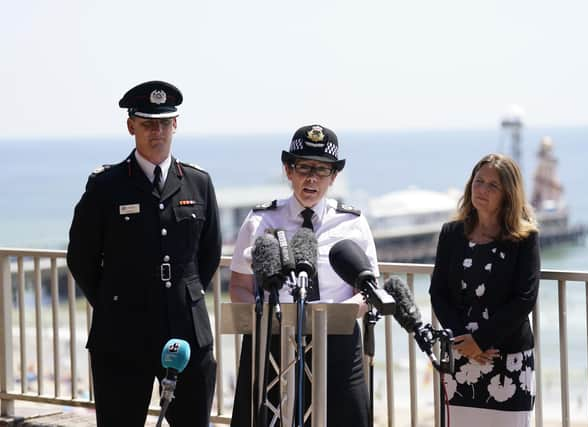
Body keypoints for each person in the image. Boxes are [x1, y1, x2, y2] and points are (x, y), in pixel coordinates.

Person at [67, 80, 221, 426]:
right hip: (123, 333)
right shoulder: (106, 185)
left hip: (186, 331)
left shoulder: (198, 182)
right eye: (149, 123)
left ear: (176, 125)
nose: (158, 132)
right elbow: (81, 257)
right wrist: (113, 301)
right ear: (131, 126)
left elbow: (208, 254)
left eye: (165, 122)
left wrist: (185, 297)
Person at [229, 124, 377, 427]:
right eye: (303, 167)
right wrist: (264, 320)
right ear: (288, 170)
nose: (311, 178)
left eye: (322, 170)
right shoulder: (260, 220)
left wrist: (351, 310)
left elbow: (369, 287)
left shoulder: (352, 223)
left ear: (334, 177)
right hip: (272, 343)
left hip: (337, 340)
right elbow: (240, 285)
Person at [429, 153, 540, 427]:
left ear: (508, 194)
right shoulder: (451, 233)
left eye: (493, 185)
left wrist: (481, 341)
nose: (482, 190)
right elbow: (438, 292)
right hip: (460, 359)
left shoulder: (524, 238)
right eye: (479, 181)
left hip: (508, 360)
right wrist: (462, 340)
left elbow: (525, 298)